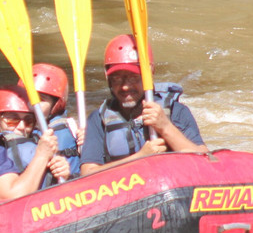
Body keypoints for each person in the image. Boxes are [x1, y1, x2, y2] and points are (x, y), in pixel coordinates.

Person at [79, 34, 207, 176]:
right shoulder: (98, 119)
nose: (125, 86)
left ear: (149, 73)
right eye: (117, 79)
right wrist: (139, 158)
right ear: (108, 79)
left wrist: (165, 127)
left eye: (134, 78)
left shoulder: (176, 111)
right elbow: (87, 173)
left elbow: (205, 161)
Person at [0, 85, 71, 202]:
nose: (22, 127)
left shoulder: (36, 142)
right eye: (12, 120)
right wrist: (41, 156)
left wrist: (60, 173)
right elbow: (13, 197)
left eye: (28, 121)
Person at [18, 62, 81, 177]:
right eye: (28, 97)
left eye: (41, 100)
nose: (32, 105)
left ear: (56, 105)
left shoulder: (65, 132)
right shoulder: (17, 127)